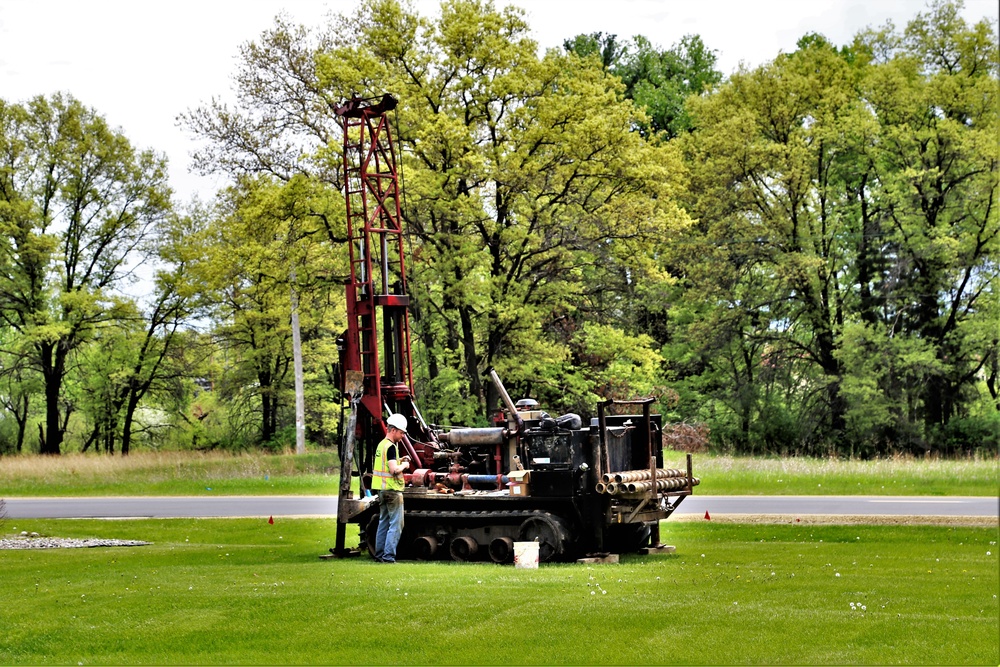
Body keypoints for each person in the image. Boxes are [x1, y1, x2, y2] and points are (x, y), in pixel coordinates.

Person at [371, 413, 410, 563]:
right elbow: (394, 470)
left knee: (383, 523)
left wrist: (400, 460)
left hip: (381, 490)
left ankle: (379, 555)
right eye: (401, 433)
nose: (402, 436)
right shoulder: (392, 447)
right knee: (396, 525)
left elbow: (387, 464)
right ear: (393, 430)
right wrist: (405, 465)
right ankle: (388, 557)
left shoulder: (382, 445)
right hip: (393, 491)